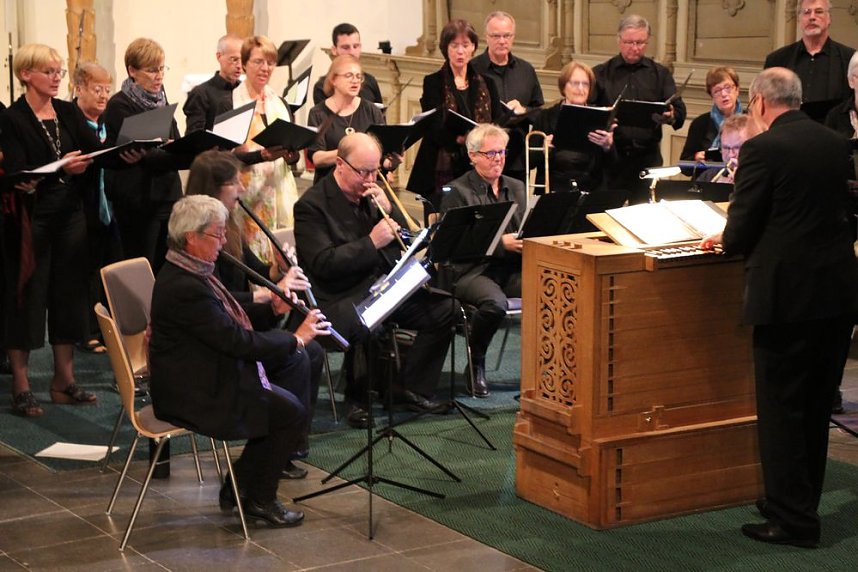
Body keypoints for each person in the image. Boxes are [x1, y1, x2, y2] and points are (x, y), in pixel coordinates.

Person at [700, 67, 858, 548]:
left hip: (785, 299)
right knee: (814, 406)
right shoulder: (835, 143)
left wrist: (721, 239)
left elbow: (742, 229)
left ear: (761, 103)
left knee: (782, 409)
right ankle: (797, 501)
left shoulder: (763, 149)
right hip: (836, 296)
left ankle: (792, 520)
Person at [150, 194, 329, 527]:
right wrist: (294, 338)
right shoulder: (185, 285)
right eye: (217, 234)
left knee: (293, 368)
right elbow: (236, 341)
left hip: (205, 369)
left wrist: (272, 308)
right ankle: (261, 498)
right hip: (193, 391)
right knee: (290, 412)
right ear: (192, 237)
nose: (222, 242)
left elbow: (227, 317)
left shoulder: (191, 269)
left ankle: (240, 485)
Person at [294, 133, 455, 429]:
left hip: (378, 284)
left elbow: (409, 242)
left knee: (446, 310)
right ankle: (358, 399)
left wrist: (391, 211)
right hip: (335, 296)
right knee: (370, 321)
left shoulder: (371, 194)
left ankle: (409, 388)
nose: (370, 179)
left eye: (376, 171)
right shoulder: (311, 206)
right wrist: (371, 242)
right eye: (363, 171)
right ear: (340, 164)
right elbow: (323, 264)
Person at [185, 149, 323, 480]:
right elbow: (213, 296)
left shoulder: (228, 225)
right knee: (298, 354)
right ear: (216, 188)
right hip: (215, 335)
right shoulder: (196, 236)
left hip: (238, 320)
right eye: (235, 183)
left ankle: (286, 445)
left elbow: (258, 271)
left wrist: (279, 267)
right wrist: (267, 295)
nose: (243, 190)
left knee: (312, 352)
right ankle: (277, 445)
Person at [0, 44, 100, 416]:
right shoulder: (13, 117)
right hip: (31, 217)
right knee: (26, 296)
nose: (57, 77)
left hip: (70, 215)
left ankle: (63, 380)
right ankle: (22, 385)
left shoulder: (67, 111)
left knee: (69, 295)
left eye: (59, 71)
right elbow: (16, 169)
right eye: (49, 71)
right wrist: (61, 168)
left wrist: (123, 151)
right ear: (27, 74)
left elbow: (94, 150)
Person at [439, 124, 525, 397]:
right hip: (469, 271)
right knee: (494, 304)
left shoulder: (516, 186)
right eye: (490, 154)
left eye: (501, 152)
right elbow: (458, 245)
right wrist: (502, 244)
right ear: (473, 156)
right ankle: (476, 362)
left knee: (552, 292)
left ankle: (542, 369)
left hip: (508, 269)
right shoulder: (456, 192)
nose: (498, 158)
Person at [103, 37, 190, 273]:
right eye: (152, 70)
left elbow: (177, 148)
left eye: (162, 68)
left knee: (170, 267)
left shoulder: (161, 101)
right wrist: (164, 150)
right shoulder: (119, 105)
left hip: (169, 196)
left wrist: (164, 150)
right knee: (142, 266)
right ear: (132, 70)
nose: (159, 75)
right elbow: (144, 153)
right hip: (138, 200)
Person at [407, 19, 503, 214]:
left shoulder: (488, 83)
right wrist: (459, 139)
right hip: (443, 162)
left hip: (479, 161)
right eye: (454, 46)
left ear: (473, 48)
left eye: (465, 45)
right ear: (446, 48)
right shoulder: (433, 82)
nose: (460, 51)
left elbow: (497, 122)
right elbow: (432, 125)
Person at [592, 14, 686, 204]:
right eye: (629, 42)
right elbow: (592, 113)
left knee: (644, 219)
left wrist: (670, 115)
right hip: (611, 160)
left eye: (640, 42)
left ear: (648, 41)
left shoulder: (660, 74)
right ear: (618, 40)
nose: (635, 48)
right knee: (606, 215)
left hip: (647, 159)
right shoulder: (601, 73)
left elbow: (679, 111)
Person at [231, 36, 301, 260]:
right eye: (258, 62)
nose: (265, 68)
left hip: (280, 188)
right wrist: (261, 155)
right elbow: (228, 156)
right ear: (244, 64)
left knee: (283, 253)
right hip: (249, 191)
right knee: (255, 257)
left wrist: (292, 154)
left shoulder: (279, 102)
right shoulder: (232, 102)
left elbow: (292, 159)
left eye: (270, 63)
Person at [73, 61, 124, 355]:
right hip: (84, 207)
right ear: (79, 89)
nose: (103, 95)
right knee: (84, 272)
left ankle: (107, 330)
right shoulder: (74, 123)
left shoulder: (108, 124)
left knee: (109, 267)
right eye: (97, 89)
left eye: (107, 89)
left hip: (110, 208)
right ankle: (86, 332)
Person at [470, 11, 544, 183]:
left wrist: (524, 110)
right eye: (496, 36)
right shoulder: (472, 70)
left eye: (507, 35)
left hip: (516, 157)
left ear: (513, 36)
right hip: (483, 159)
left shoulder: (526, 70)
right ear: (486, 37)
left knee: (516, 208)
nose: (502, 41)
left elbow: (539, 112)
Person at [531, 61, 615, 194]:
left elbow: (613, 165)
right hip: (553, 188)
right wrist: (543, 149)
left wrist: (608, 146)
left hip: (591, 189)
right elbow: (529, 161)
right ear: (564, 86)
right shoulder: (545, 116)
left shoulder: (601, 116)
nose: (581, 89)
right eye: (575, 83)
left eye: (585, 84)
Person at [764, 0, 855, 120]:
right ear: (799, 19)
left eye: (819, 12)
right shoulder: (777, 60)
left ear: (829, 19)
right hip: (788, 133)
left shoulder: (849, 59)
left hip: (833, 135)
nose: (812, 17)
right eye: (806, 12)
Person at [307, 54, 386, 184]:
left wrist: (391, 163)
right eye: (349, 76)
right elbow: (317, 158)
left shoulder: (372, 110)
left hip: (365, 186)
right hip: (330, 187)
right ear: (333, 79)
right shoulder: (318, 113)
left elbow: (381, 152)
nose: (355, 81)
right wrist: (352, 151)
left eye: (358, 77)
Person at [182, 34, 243, 133]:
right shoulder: (201, 93)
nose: (239, 66)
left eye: (242, 60)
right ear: (219, 56)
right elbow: (194, 138)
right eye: (234, 59)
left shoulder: (244, 89)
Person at [680, 66, 742, 161]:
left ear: (737, 90)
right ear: (712, 96)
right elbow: (684, 165)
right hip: (707, 174)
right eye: (717, 91)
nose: (724, 94)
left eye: (728, 88)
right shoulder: (700, 123)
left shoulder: (750, 120)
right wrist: (696, 157)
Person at [311, 23, 383, 105]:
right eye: (346, 47)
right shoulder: (322, 87)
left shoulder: (370, 81)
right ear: (334, 50)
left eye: (355, 46)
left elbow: (380, 115)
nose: (352, 52)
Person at [695, 114, 761, 184]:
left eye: (737, 147)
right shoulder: (708, 176)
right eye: (726, 148)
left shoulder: (765, 177)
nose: (731, 155)